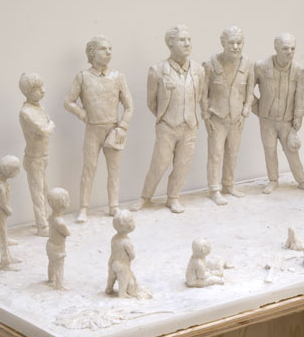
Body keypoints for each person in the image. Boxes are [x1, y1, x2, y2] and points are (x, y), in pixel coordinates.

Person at [132, 25, 205, 214]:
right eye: (182, 40)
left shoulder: (198, 70)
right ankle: (145, 197)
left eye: (189, 40)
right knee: (159, 164)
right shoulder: (157, 70)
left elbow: (198, 96)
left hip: (190, 126)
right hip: (167, 126)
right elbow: (151, 102)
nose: (187, 43)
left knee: (182, 165)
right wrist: (165, 117)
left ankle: (173, 197)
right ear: (170, 43)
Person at [65, 35, 134, 221]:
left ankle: (114, 205)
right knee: (89, 169)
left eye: (110, 48)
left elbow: (129, 106)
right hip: (93, 131)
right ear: (92, 53)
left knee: (114, 171)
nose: (108, 52)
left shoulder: (118, 77)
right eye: (103, 49)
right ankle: (83, 208)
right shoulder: (83, 77)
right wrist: (83, 114)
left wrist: (122, 127)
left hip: (113, 129)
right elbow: (68, 101)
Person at [253, 33, 304, 194]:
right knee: (269, 150)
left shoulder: (298, 69)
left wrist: (299, 115)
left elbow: (299, 94)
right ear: (276, 48)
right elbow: (247, 91)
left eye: (292, 48)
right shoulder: (261, 66)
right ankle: (273, 180)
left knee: (292, 151)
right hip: (267, 120)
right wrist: (259, 110)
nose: (290, 52)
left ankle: (302, 180)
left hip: (286, 120)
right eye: (285, 48)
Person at [201, 26, 254, 205]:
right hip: (217, 117)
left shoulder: (247, 64)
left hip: (237, 118)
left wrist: (245, 112)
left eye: (239, 43)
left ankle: (229, 185)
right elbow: (203, 93)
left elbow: (249, 92)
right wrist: (205, 116)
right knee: (215, 154)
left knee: (233, 153)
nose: (235, 47)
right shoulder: (210, 64)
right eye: (231, 43)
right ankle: (214, 189)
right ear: (223, 43)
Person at [19, 73, 55, 235]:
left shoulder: (39, 108)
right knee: (37, 192)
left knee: (45, 189)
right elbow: (45, 130)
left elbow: (47, 127)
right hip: (34, 157)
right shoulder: (26, 112)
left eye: (42, 87)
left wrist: (48, 126)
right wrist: (50, 125)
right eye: (38, 88)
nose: (43, 90)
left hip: (43, 155)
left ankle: (47, 219)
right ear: (28, 92)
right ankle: (42, 225)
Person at [0, 155, 22, 270]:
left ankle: (9, 257)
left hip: (1, 216)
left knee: (4, 237)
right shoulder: (0, 187)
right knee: (3, 239)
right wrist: (9, 211)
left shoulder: (2, 183)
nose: (18, 172)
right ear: (9, 171)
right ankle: (5, 262)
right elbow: (2, 203)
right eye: (17, 169)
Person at [46, 187, 71, 290]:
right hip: (58, 247)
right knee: (59, 265)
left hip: (50, 244)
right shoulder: (60, 222)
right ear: (63, 203)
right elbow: (67, 233)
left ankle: (51, 278)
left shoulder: (51, 217)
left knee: (51, 262)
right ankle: (59, 285)